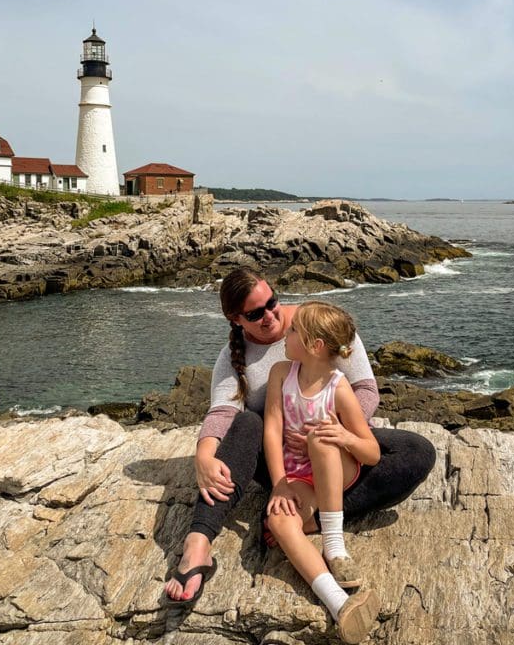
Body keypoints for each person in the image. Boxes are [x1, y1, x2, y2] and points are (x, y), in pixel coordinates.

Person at [163, 268, 437, 610]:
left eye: (272, 303)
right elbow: (223, 412)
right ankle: (199, 544)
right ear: (236, 320)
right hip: (281, 460)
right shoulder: (238, 359)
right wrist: (204, 455)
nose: (271, 316)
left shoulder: (320, 324)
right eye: (255, 314)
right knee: (247, 423)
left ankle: (307, 518)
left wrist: (334, 431)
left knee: (416, 451)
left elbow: (366, 390)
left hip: (334, 449)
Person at [264, 301, 381, 643]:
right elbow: (272, 430)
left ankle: (334, 544)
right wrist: (280, 484)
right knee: (278, 520)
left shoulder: (338, 386)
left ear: (314, 346)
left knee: (321, 437)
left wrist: (345, 436)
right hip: (299, 477)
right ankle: (340, 603)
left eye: (293, 330)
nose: (285, 333)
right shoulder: (280, 374)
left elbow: (371, 452)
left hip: (335, 470)